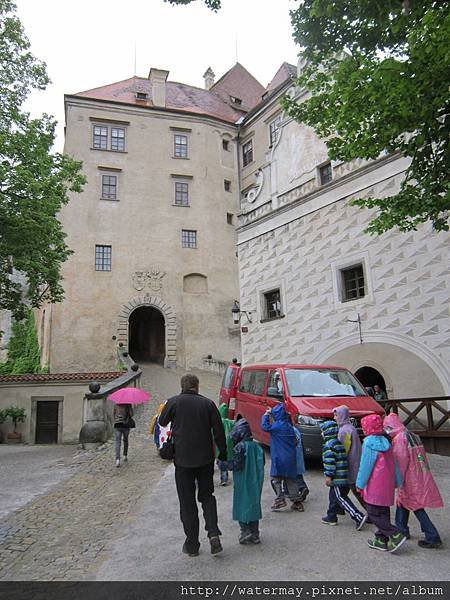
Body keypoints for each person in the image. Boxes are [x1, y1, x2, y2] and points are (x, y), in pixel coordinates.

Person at [159, 374, 227, 557]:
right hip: (205, 459)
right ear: (197, 386)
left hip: (182, 461)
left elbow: (162, 421)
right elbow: (219, 431)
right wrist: (224, 453)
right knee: (207, 497)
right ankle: (213, 533)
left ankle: (192, 544)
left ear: (182, 386)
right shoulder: (208, 404)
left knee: (187, 503)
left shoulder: (173, 402)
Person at [384, 413, 443, 549]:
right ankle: (402, 529)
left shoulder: (399, 439)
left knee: (415, 504)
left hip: (409, 477)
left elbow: (401, 461)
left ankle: (432, 535)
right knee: (403, 502)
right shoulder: (410, 435)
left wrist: (397, 479)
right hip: (419, 474)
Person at [356, 414, 406, 553]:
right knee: (383, 512)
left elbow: (365, 465)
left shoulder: (368, 443)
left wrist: (360, 484)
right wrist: (397, 481)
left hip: (374, 485)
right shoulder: (387, 442)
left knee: (373, 512)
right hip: (387, 485)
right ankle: (380, 539)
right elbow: (394, 464)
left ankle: (394, 534)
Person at [219, 418, 264, 545]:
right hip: (256, 481)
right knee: (254, 505)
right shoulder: (257, 447)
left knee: (241, 505)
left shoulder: (240, 447)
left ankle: (245, 531)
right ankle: (255, 534)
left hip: (243, 481)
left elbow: (237, 465)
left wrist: (225, 464)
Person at [320, 420, 367, 529]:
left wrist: (329, 476)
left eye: (323, 431)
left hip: (337, 478)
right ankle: (331, 516)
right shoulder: (338, 443)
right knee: (333, 496)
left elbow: (330, 462)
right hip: (344, 475)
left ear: (327, 432)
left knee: (341, 498)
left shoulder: (328, 445)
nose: (321, 433)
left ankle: (358, 516)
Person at [261, 404, 305, 512]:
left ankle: (280, 499)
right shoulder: (289, 427)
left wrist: (266, 415)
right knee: (291, 480)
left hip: (279, 458)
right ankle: (297, 502)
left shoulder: (276, 427)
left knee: (275, 479)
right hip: (290, 458)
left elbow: (264, 426)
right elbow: (295, 442)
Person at [333, 405, 365, 510]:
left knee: (354, 489)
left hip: (351, 464)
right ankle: (336, 509)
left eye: (336, 415)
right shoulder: (350, 427)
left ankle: (371, 513)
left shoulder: (344, 431)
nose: (334, 418)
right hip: (356, 461)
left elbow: (344, 450)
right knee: (346, 488)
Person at [217, 403, 235, 486]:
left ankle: (224, 479)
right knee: (231, 463)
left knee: (222, 465)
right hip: (230, 447)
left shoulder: (217, 422)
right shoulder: (231, 422)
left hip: (220, 448)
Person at [113, 403, 133, 467]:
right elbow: (131, 414)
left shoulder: (116, 404)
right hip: (125, 425)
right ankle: (125, 455)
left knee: (118, 443)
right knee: (125, 440)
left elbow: (113, 414)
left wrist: (116, 420)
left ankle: (117, 460)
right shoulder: (128, 404)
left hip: (117, 425)